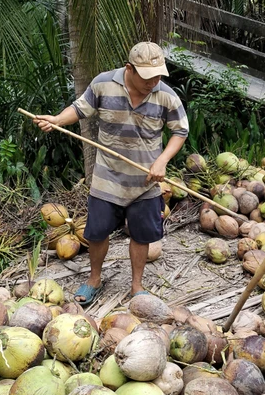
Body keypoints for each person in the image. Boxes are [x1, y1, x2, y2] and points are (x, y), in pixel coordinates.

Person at [34, 42, 188, 306]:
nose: (155, 82)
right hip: (108, 178)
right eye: (148, 77)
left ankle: (137, 286)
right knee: (96, 232)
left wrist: (162, 160)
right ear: (129, 68)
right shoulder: (103, 84)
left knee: (141, 235)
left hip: (145, 181)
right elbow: (80, 108)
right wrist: (58, 120)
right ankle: (94, 279)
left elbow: (180, 131)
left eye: (159, 75)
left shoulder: (166, 96)